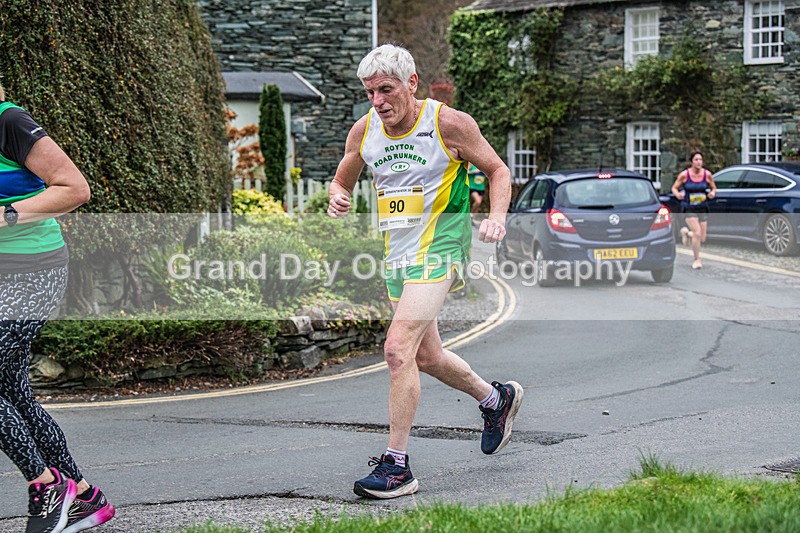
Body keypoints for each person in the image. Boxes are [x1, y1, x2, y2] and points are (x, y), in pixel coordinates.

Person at [328, 44, 523, 499]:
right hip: (397, 257)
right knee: (427, 357)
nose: (377, 100)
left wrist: (496, 217)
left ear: (411, 83)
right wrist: (338, 194)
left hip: (441, 249)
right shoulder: (364, 130)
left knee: (397, 348)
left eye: (386, 89)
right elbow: (343, 178)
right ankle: (496, 400)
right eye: (370, 91)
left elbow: (497, 170)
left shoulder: (448, 123)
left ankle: (397, 466)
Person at [0, 83, 115, 532]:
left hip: (32, 271)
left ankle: (47, 485)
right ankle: (85, 496)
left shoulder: (10, 122)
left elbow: (74, 188)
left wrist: (6, 214)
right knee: (12, 393)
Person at [671, 151, 717, 269]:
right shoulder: (685, 175)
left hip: (702, 207)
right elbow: (674, 188)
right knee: (697, 232)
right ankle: (697, 259)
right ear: (691, 162)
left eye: (700, 160)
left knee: (702, 237)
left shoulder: (707, 174)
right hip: (689, 207)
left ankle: (686, 233)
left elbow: (713, 187)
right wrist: (678, 195)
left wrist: (712, 193)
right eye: (696, 160)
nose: (699, 162)